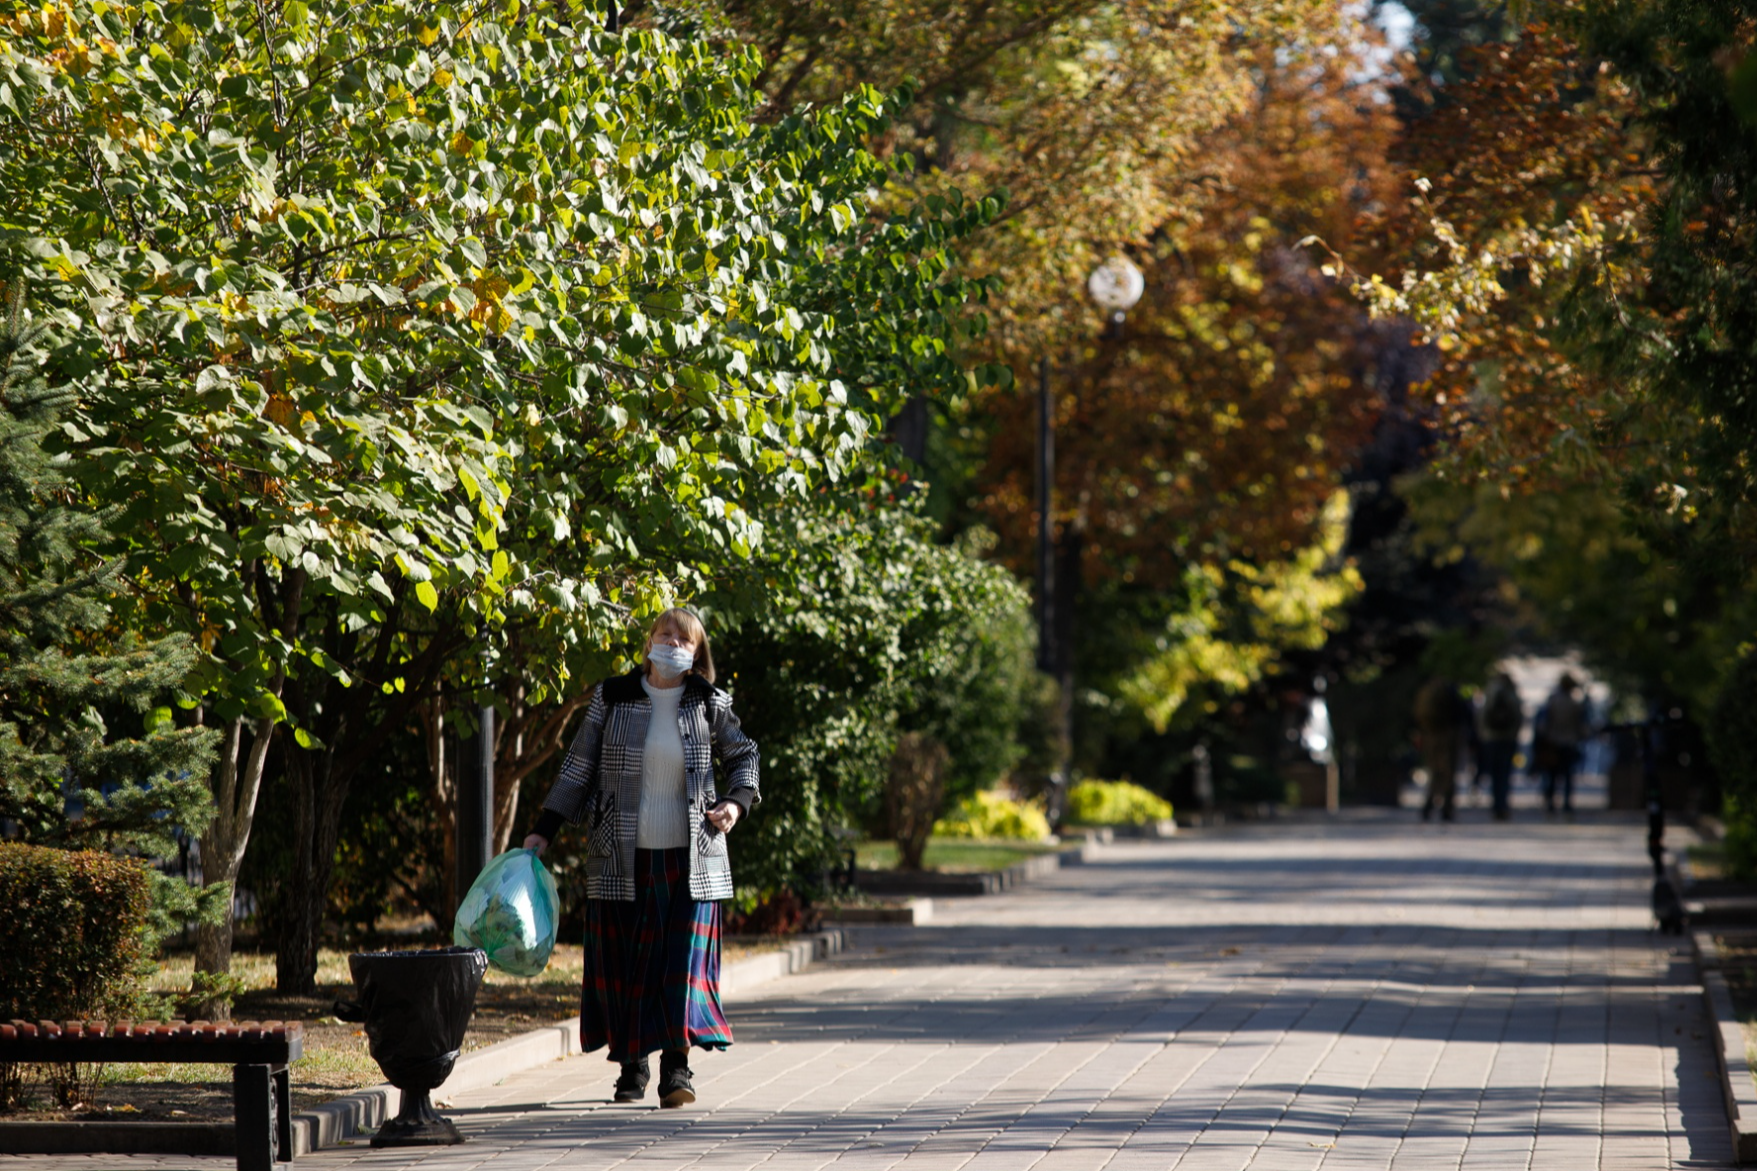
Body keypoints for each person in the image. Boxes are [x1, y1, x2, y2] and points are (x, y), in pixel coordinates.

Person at [523, 608, 759, 1108]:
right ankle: (632, 1069)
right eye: (663, 633)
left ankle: (677, 1070)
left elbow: (744, 756)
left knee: (680, 968)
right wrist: (543, 831)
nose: (671, 642)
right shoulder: (614, 697)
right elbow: (577, 767)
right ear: (648, 641)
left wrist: (735, 804)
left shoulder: (709, 702)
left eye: (683, 638)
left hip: (693, 860)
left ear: (697, 654)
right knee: (630, 966)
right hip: (621, 857)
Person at [1414, 675, 1466, 821]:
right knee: (1448, 774)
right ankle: (1446, 809)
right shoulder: (1450, 692)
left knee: (1435, 773)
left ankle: (1428, 807)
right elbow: (1461, 715)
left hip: (1430, 737)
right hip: (1447, 738)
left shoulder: (1425, 692)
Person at [1535, 673, 1586, 814]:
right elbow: (1580, 726)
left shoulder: (1552, 701)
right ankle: (1567, 803)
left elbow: (1542, 724)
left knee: (1552, 775)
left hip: (1553, 742)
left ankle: (1551, 802)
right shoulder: (1575, 703)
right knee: (1568, 775)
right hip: (1569, 743)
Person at [1477, 671, 1523, 821]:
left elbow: (1483, 716)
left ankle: (1496, 805)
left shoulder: (1490, 692)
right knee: (1505, 774)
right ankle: (1503, 805)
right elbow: (1518, 717)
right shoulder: (1512, 694)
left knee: (1495, 774)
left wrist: (1483, 735)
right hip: (1508, 739)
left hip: (1492, 738)